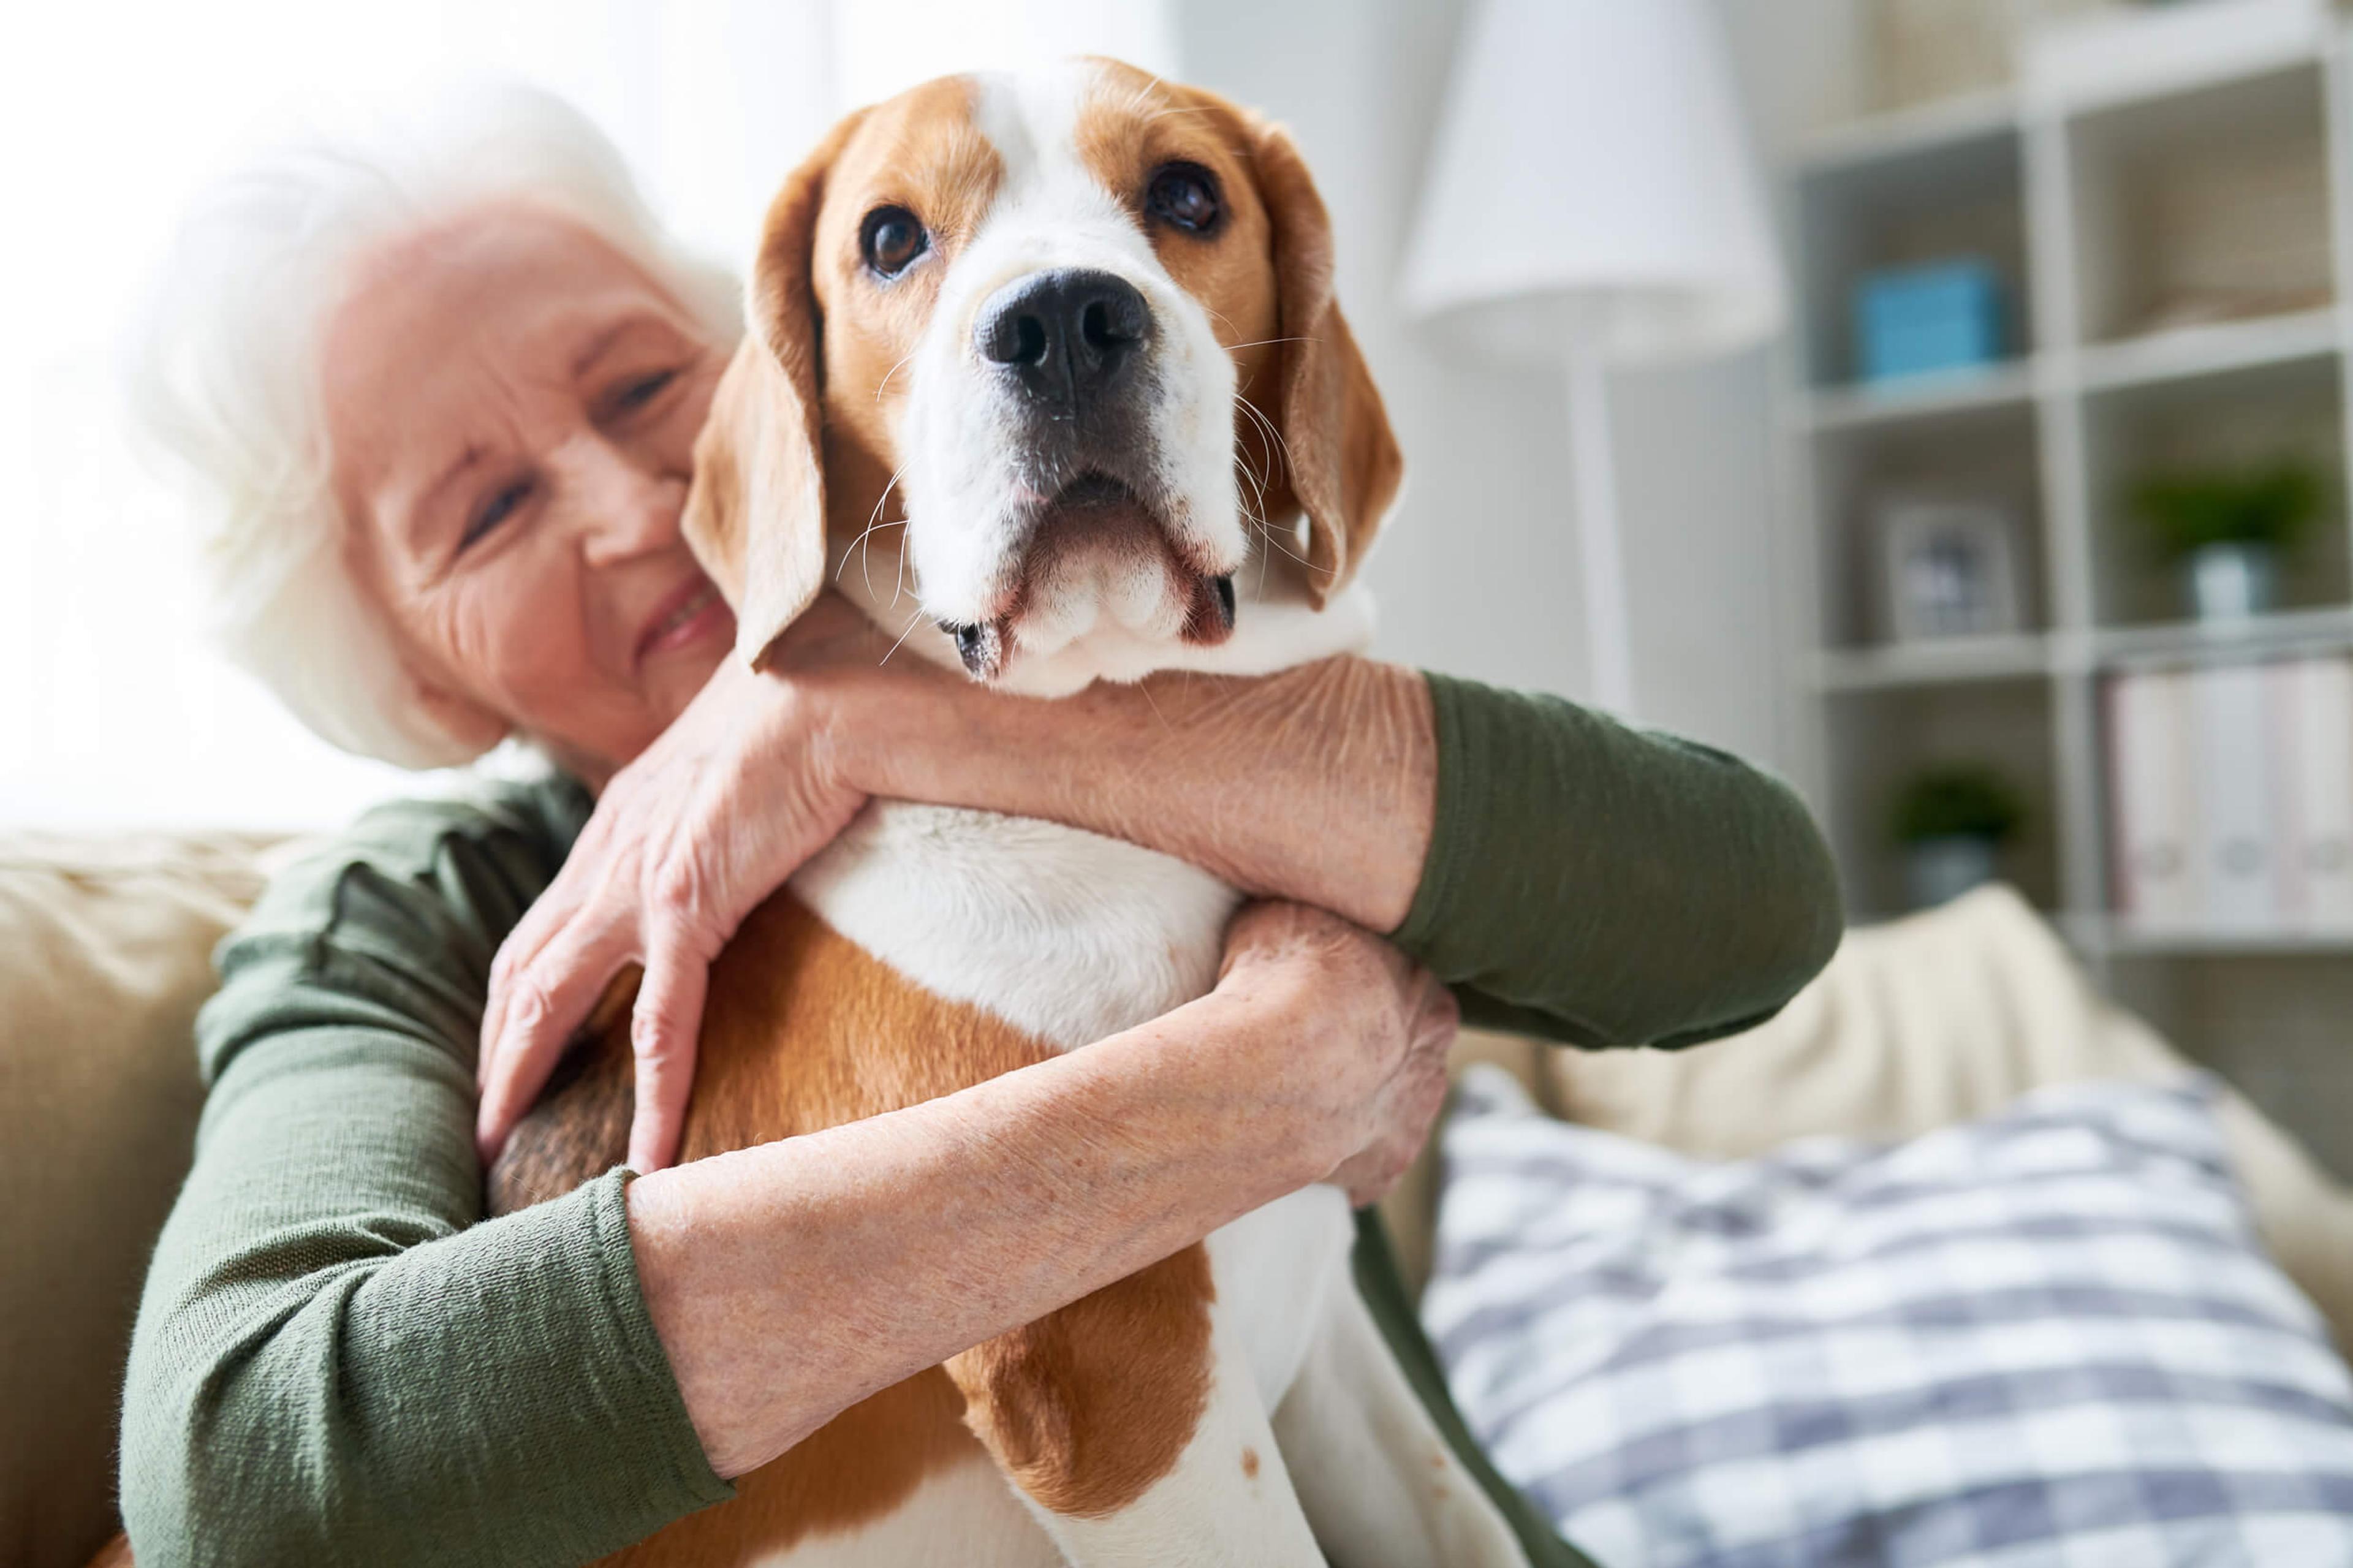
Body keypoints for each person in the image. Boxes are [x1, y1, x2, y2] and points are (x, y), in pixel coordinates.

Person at [117, 83, 1843, 1567]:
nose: (635, 509)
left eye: (650, 390)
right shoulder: (407, 918)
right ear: (416, 678)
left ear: (781, 386)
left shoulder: (1106, 654)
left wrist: (854, 713)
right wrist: (1255, 1093)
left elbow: (1753, 912)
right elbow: (251, 1482)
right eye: (487, 509)